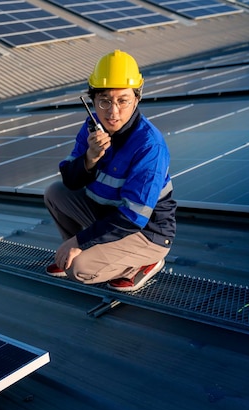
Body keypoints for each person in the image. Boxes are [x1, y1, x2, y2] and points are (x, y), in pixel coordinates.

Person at [44, 50, 176, 291]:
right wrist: (90, 158)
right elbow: (70, 182)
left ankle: (146, 261)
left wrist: (80, 240)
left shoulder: (149, 145)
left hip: (147, 231)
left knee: (80, 271)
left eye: (123, 100)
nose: (113, 112)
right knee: (55, 192)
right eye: (104, 100)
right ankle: (79, 252)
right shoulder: (91, 128)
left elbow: (134, 216)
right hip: (108, 215)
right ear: (92, 101)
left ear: (137, 98)